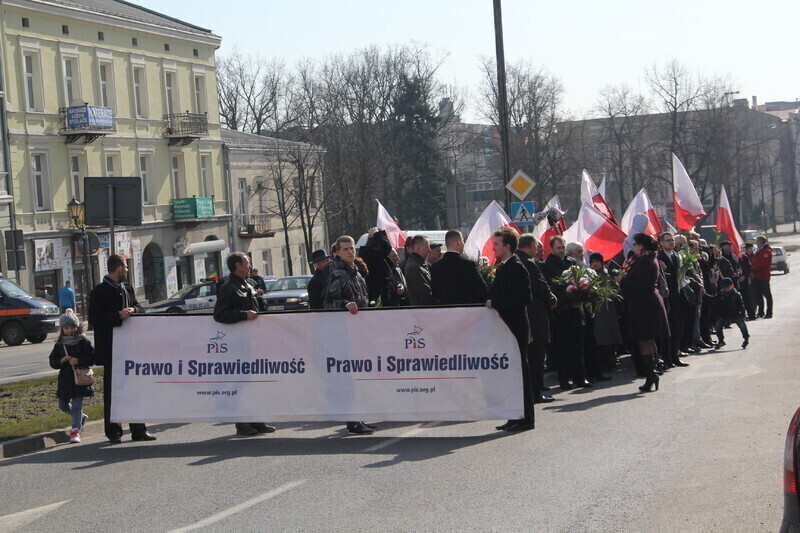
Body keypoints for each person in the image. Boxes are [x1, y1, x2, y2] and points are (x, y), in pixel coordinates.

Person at [88, 254, 156, 443]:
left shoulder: (127, 288)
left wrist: (134, 310)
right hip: (111, 349)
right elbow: (95, 319)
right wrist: (117, 315)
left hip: (131, 348)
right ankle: (114, 431)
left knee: (135, 389)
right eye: (125, 267)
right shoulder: (99, 292)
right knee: (113, 392)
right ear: (118, 268)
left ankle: (138, 429)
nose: (127, 270)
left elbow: (140, 308)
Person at [213, 252, 276, 437]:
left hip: (254, 343)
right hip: (238, 345)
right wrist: (243, 314)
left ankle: (256, 420)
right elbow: (220, 314)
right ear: (237, 266)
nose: (250, 266)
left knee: (254, 384)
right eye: (247, 263)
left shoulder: (249, 285)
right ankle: (242, 423)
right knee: (240, 385)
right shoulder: (229, 287)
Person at [324, 236, 377, 435]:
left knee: (359, 377)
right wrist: (345, 304)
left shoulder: (356, 273)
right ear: (337, 252)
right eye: (345, 249)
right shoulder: (337, 273)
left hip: (359, 332)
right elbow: (328, 303)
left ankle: (359, 416)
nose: (350, 252)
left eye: (352, 248)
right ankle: (352, 419)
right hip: (343, 335)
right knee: (348, 379)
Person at [487, 228, 534, 432]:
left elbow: (524, 298)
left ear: (507, 246)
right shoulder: (503, 267)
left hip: (515, 327)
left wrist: (495, 302)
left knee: (520, 373)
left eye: (496, 244)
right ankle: (514, 415)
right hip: (505, 328)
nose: (493, 247)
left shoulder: (516, 267)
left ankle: (526, 418)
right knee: (509, 375)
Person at [620, 233, 670, 392]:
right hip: (647, 303)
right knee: (648, 340)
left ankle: (651, 374)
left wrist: (622, 281)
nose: (633, 247)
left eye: (635, 244)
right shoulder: (648, 258)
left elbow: (640, 285)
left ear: (641, 245)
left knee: (644, 340)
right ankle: (653, 373)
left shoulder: (644, 261)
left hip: (644, 304)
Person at [516, 234, 556, 403]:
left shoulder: (514, 261)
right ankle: (537, 391)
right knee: (537, 356)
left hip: (523, 314)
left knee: (530, 355)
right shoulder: (530, 263)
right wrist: (552, 299)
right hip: (535, 314)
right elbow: (540, 285)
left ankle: (533, 390)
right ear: (531, 246)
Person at [49, 309, 94, 443]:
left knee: (77, 405)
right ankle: (80, 417)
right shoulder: (59, 344)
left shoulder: (83, 341)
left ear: (77, 327)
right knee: (63, 405)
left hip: (80, 379)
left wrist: (78, 360)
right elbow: (52, 361)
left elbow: (92, 357)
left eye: (72, 327)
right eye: (66, 328)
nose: (70, 330)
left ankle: (75, 431)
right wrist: (60, 361)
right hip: (65, 379)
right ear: (62, 329)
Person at [656, 232, 689, 368]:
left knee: (677, 327)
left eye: (671, 240)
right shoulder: (659, 258)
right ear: (661, 243)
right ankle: (667, 358)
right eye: (667, 240)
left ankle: (675, 355)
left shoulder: (677, 256)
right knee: (667, 329)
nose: (671, 242)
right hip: (666, 298)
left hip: (678, 296)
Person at [430, 229, 488, 305]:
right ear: (458, 242)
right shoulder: (468, 265)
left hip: (445, 311)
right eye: (463, 241)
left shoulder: (435, 267)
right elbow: (482, 289)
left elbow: (434, 293)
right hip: (467, 310)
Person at [589, 252, 623, 372]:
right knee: (600, 336)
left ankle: (611, 358)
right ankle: (602, 361)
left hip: (609, 308)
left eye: (597, 261)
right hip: (597, 309)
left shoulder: (607, 274)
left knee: (611, 335)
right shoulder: (589, 275)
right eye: (592, 262)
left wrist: (611, 293)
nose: (595, 264)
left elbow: (616, 289)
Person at [711, 277, 750, 349]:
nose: (726, 289)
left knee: (742, 326)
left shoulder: (736, 294)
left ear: (732, 286)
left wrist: (743, 314)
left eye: (727, 287)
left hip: (735, 314)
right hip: (725, 315)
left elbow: (741, 305)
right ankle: (721, 341)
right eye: (724, 288)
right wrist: (705, 295)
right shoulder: (721, 294)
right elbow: (714, 299)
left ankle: (746, 339)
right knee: (718, 326)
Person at [359, 228, 394, 305]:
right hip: (375, 296)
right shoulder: (366, 253)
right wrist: (378, 234)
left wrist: (397, 284)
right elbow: (387, 247)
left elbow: (389, 276)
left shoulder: (383, 259)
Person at [403, 235, 436, 306]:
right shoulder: (414, 267)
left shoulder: (421, 264)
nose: (430, 250)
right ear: (418, 248)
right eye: (427, 247)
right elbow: (425, 295)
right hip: (422, 312)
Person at [751, 235, 773, 318]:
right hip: (757, 276)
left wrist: (754, 269)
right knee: (758, 295)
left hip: (763, 276)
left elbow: (762, 264)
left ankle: (769, 312)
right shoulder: (760, 251)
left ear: (761, 242)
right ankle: (761, 312)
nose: (756, 243)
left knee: (767, 295)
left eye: (757, 241)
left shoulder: (766, 251)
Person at [740, 243, 756, 320]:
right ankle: (742, 315)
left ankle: (751, 315)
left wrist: (745, 276)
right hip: (736, 282)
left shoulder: (744, 257)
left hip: (746, 282)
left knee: (748, 299)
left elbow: (749, 268)